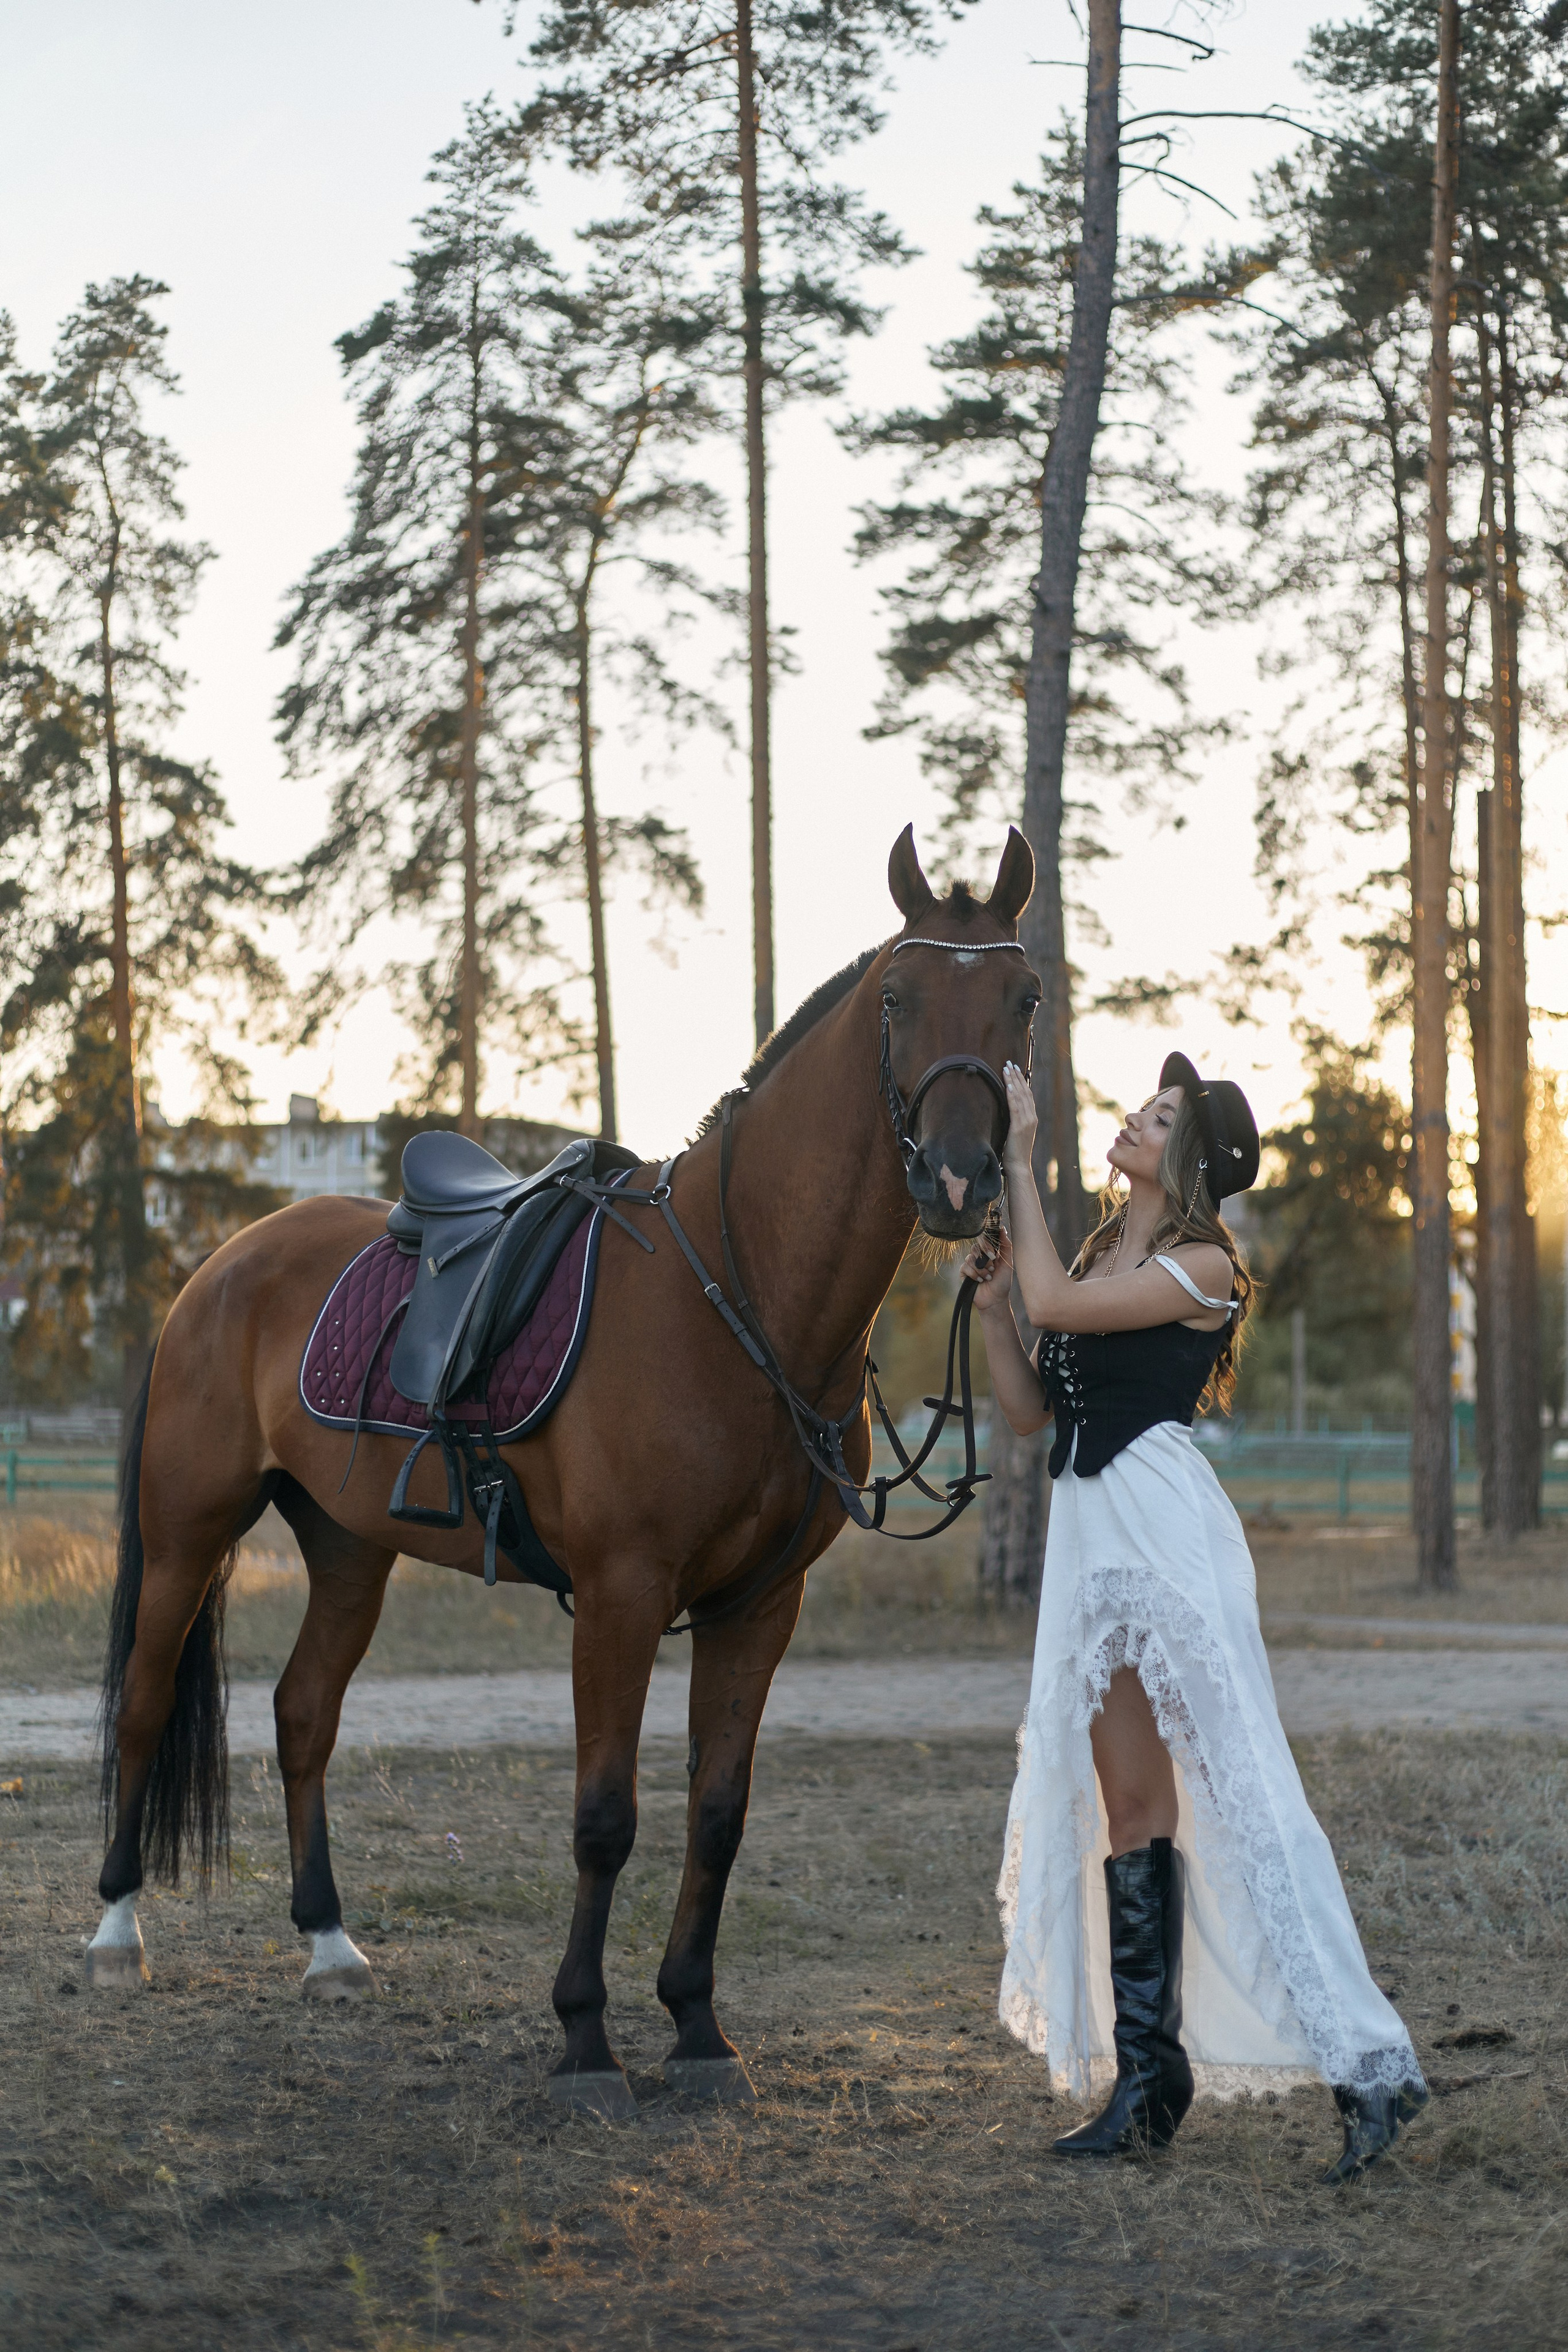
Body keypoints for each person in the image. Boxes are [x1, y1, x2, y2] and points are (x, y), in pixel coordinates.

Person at [963, 1052, 1427, 2182]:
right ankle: (1147, 2078)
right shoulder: (1093, 1250)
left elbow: (1062, 1310)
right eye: (1144, 1104)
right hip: (1088, 1538)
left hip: (1164, 1534)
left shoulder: (1207, 1261)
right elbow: (1030, 1413)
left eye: (1159, 1116)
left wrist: (1022, 1158)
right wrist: (988, 1309)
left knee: (1246, 1786)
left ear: (1193, 1158)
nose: (1135, 1116)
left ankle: (1373, 2068)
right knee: (1129, 1803)